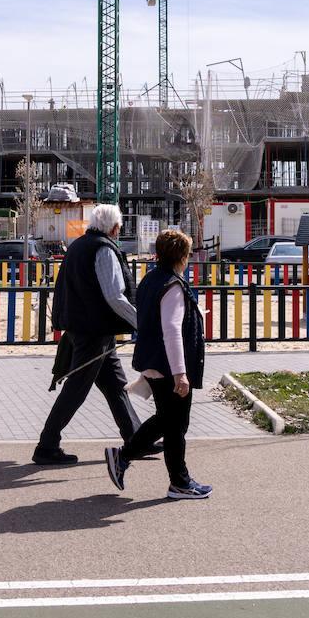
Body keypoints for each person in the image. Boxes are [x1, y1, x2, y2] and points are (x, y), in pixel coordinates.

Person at [33, 204, 142, 466]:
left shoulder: (79, 245)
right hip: (95, 331)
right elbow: (114, 296)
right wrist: (143, 322)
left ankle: (137, 439)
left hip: (86, 327)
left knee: (117, 386)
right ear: (115, 228)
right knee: (76, 390)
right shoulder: (103, 250)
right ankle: (46, 446)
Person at [105, 229, 211, 500]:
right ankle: (178, 482)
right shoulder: (173, 285)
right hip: (168, 367)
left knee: (168, 422)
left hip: (153, 362)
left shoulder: (151, 278)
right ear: (183, 256)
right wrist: (181, 374)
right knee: (175, 426)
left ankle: (128, 459)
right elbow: (172, 330)